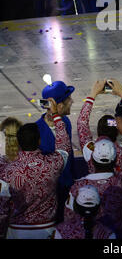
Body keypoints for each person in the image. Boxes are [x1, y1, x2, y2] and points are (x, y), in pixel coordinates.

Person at [65, 120, 122, 238]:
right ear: (114, 160)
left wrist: (90, 100)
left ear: (92, 159)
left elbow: (69, 221)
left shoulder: (78, 188)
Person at [0, 117, 69, 239]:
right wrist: (56, 116)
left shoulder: (7, 170)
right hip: (47, 228)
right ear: (39, 141)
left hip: (17, 230)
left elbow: (3, 206)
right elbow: (64, 147)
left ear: (19, 143)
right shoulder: (53, 163)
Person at [77, 78, 122, 173]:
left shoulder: (90, 150)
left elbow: (82, 124)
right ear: (118, 132)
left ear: (98, 131)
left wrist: (93, 94)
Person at [35, 78, 75, 222]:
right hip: (50, 197)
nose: (72, 101)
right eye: (69, 98)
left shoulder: (66, 122)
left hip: (67, 189)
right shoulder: (36, 131)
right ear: (58, 105)